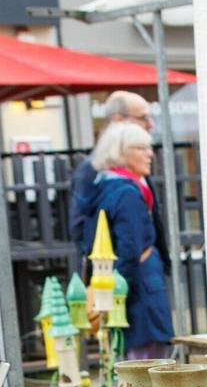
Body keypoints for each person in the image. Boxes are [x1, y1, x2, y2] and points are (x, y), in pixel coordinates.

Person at [87, 122, 172, 359]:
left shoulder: (108, 186)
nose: (150, 154)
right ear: (120, 153)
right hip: (139, 297)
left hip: (133, 294)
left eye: (149, 147)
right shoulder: (127, 192)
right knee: (147, 367)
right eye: (141, 148)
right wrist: (116, 293)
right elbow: (129, 249)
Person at [69, 90, 157, 275]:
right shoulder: (93, 170)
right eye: (143, 118)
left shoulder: (133, 169)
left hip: (143, 271)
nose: (150, 124)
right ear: (119, 119)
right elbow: (82, 228)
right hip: (119, 274)